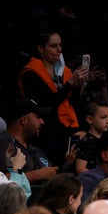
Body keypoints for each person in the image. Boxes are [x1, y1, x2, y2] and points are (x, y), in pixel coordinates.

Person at [18, 29, 88, 167]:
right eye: (53, 46)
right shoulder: (31, 72)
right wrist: (69, 85)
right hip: (46, 129)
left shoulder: (65, 72)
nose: (59, 50)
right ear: (40, 48)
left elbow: (72, 103)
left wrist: (79, 87)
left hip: (67, 127)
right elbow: (46, 103)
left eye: (60, 45)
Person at [0, 98, 58, 186]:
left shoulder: (36, 150)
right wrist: (39, 174)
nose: (42, 122)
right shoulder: (3, 143)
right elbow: (2, 180)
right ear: (24, 120)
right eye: (38, 117)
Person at [74, 102, 108, 174]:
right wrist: (99, 176)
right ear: (90, 119)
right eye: (103, 117)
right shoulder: (86, 142)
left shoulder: (106, 140)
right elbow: (80, 169)